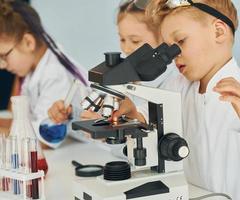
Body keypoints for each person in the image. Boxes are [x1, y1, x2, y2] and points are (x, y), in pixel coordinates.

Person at [110, 0, 240, 199]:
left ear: (218, 32)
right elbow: (149, 127)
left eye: (181, 41)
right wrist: (132, 115)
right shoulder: (174, 89)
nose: (173, 55)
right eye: (168, 47)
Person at [47, 0, 179, 132]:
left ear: (163, 39)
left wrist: (109, 129)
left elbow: (146, 129)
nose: (126, 49)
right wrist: (71, 114)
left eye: (135, 41)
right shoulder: (127, 72)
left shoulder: (171, 84)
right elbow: (103, 115)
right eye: (122, 39)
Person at [0, 0, 88, 148]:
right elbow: (25, 121)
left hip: (94, 152)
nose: (2, 65)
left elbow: (44, 138)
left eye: (4, 56)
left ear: (28, 42)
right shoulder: (32, 70)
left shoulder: (55, 73)